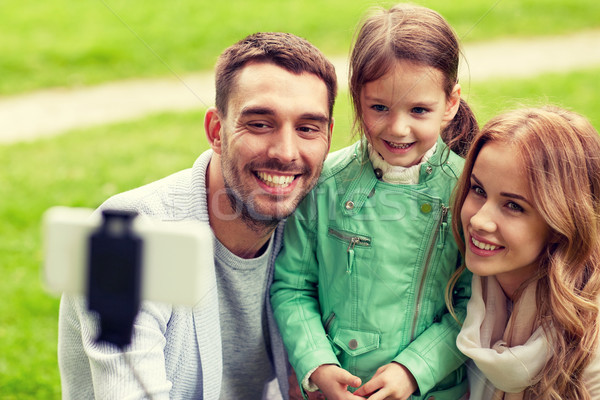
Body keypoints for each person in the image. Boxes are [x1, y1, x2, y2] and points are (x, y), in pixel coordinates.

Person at [57, 31, 338, 399]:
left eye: (307, 129)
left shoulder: (316, 225)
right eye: (259, 123)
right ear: (216, 131)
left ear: (328, 138)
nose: (286, 152)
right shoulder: (122, 236)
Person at [270, 4, 478, 400]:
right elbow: (293, 286)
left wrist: (413, 369)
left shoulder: (468, 190)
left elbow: (474, 303)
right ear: (358, 98)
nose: (398, 128)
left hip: (435, 392)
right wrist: (318, 364)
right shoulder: (325, 182)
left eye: (419, 110)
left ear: (450, 103)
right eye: (379, 107)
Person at [447, 106, 600, 399]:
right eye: (478, 190)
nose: (478, 220)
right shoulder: (456, 290)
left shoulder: (591, 342)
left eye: (513, 206)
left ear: (561, 224)